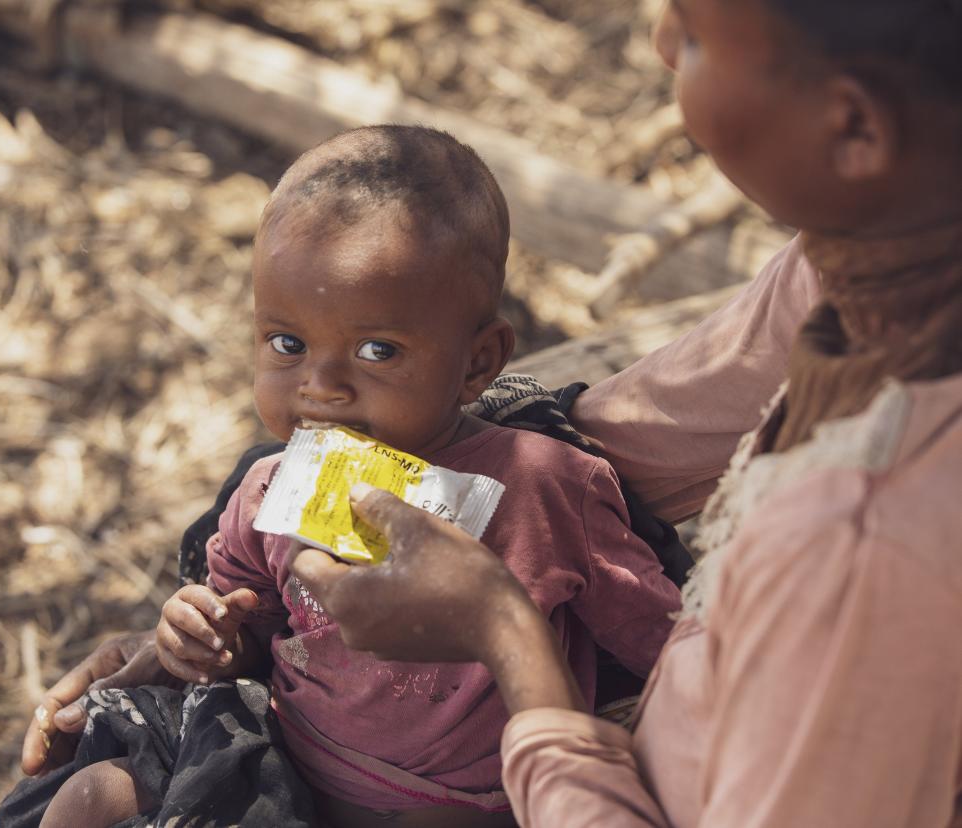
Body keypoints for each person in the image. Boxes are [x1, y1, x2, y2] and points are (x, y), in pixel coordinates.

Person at [286, 0, 962, 825]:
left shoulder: (873, 548)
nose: (662, 46)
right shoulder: (872, 261)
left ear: (854, 129)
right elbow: (689, 402)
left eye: (699, 33)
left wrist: (503, 626)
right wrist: (512, 459)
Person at [27, 125, 683, 828]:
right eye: (287, 343)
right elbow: (255, 628)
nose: (321, 387)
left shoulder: (549, 490)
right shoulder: (268, 491)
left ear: (478, 362)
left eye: (377, 350)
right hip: (283, 767)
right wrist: (206, 639)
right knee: (88, 799)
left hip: (460, 803)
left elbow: (666, 644)